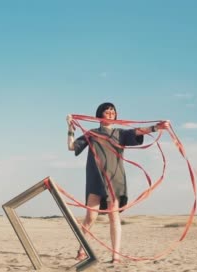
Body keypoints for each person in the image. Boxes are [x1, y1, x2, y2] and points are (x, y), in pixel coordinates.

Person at [66, 102, 169, 263]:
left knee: (114, 216)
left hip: (116, 179)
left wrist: (157, 127)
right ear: (100, 115)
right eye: (107, 111)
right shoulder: (92, 133)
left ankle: (116, 255)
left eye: (113, 112)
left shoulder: (120, 133)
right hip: (96, 179)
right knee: (90, 217)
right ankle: (81, 250)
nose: (111, 113)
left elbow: (138, 131)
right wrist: (70, 127)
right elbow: (72, 147)